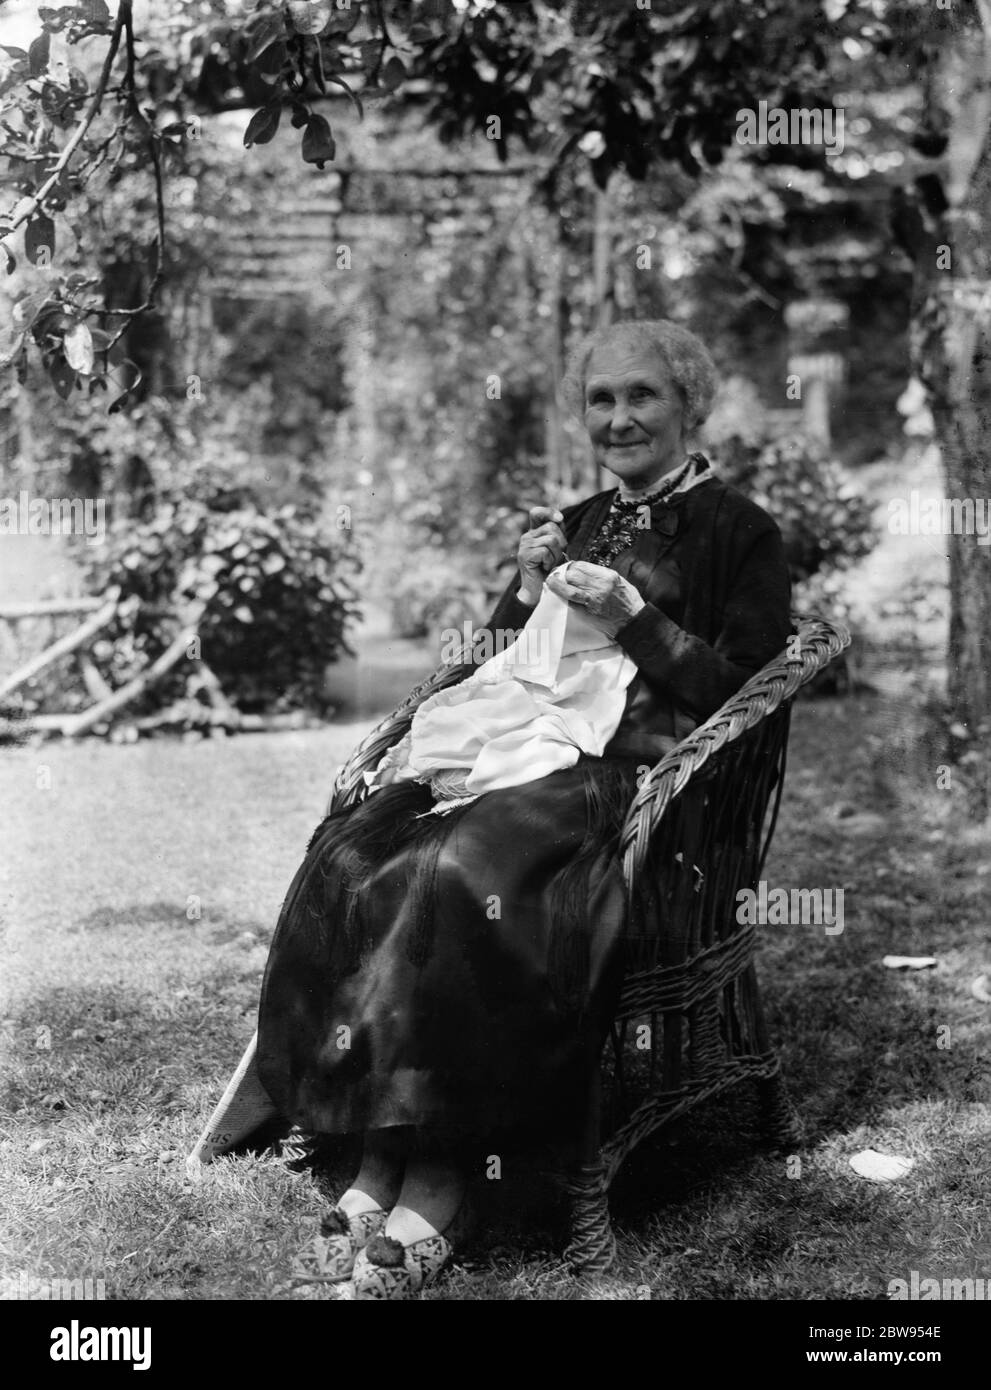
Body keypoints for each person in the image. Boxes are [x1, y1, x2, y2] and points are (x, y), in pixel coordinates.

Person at [255, 318, 792, 1299]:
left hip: (642, 788)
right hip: (526, 749)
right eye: (601, 398)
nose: (619, 416)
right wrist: (519, 584)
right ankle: (379, 1139)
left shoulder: (741, 532)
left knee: (464, 868)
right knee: (357, 848)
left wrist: (638, 618)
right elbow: (510, 663)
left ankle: (442, 1178)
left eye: (643, 396)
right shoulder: (581, 518)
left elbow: (743, 695)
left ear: (689, 406)